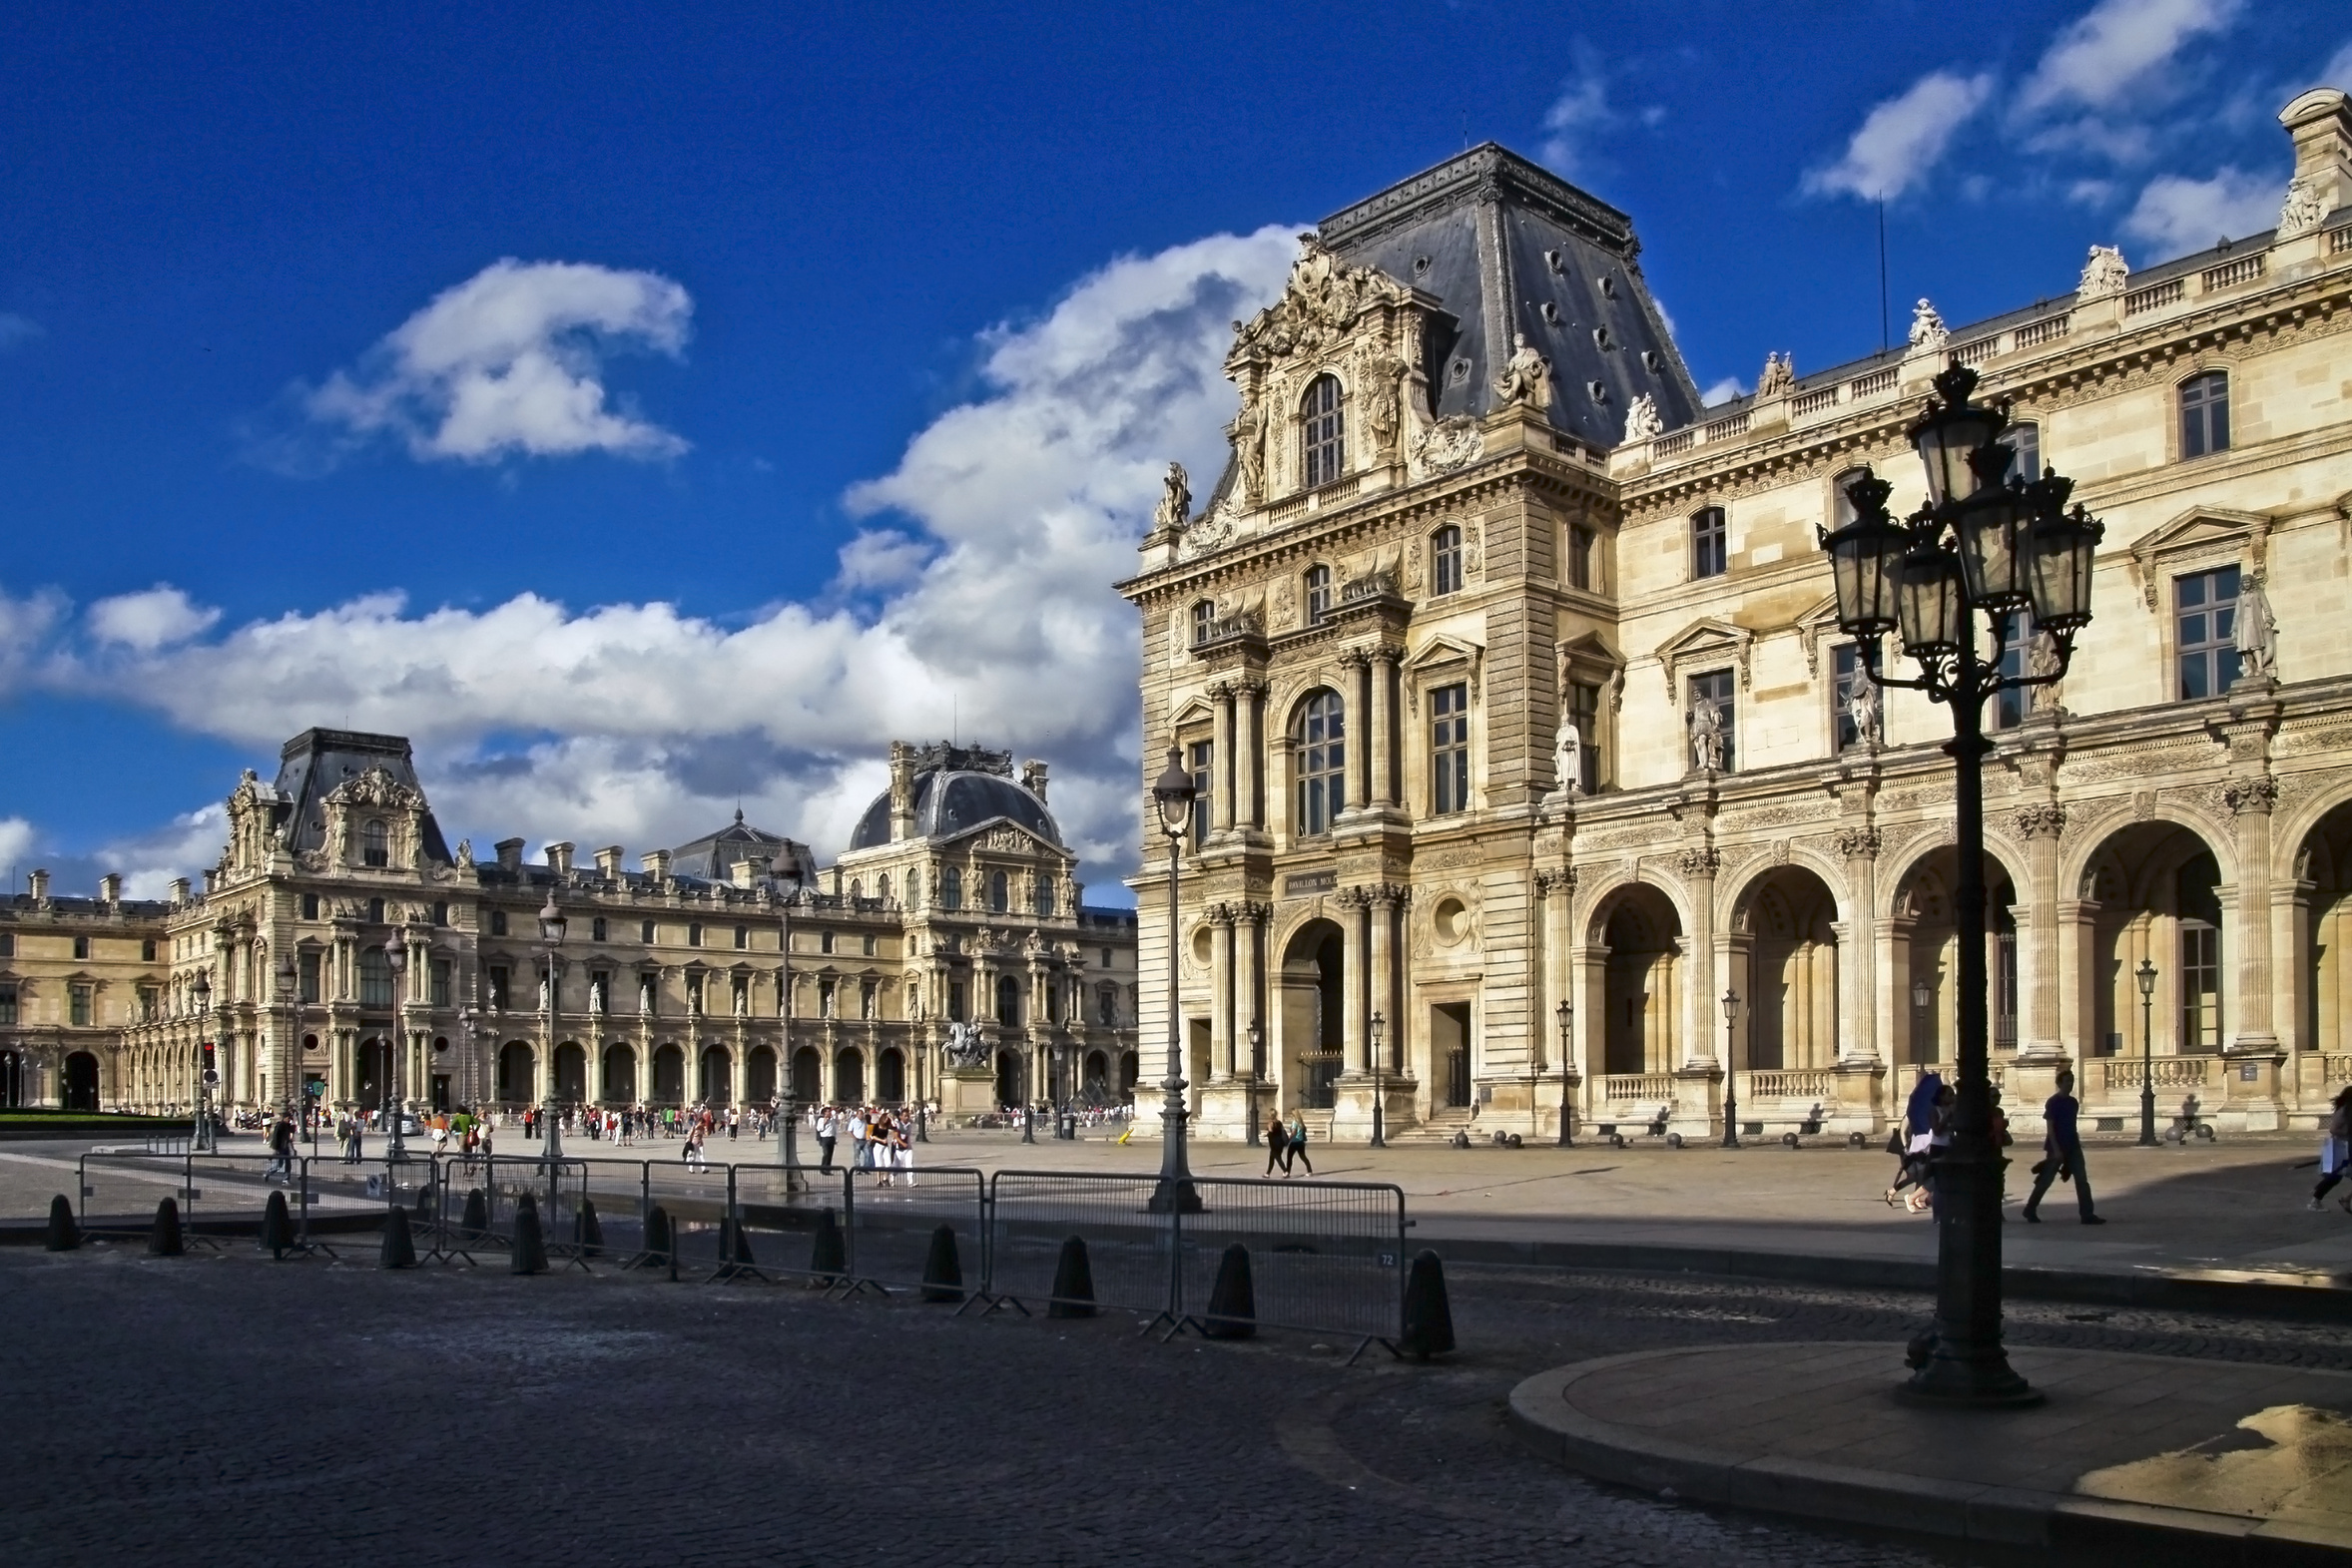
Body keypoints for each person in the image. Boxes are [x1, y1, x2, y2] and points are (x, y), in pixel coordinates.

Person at [2024, 1068, 2102, 1224]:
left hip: (2073, 1146)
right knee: (2045, 1180)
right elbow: (2050, 1128)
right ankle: (2030, 1209)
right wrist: (2057, 1149)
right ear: (2059, 1083)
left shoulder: (2073, 1103)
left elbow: (2072, 1125)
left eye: (2071, 1081)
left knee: (2082, 1180)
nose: (2070, 1084)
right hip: (2056, 1147)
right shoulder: (2053, 1102)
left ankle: (2087, 1214)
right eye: (2067, 1081)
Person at [2310, 1086, 2352, 1212]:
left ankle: (2344, 1199)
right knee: (2334, 1177)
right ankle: (2317, 1199)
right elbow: (2333, 1129)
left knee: (2335, 1177)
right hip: (2343, 1147)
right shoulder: (2343, 1111)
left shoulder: (2347, 1110)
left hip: (2347, 1147)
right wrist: (2348, 1132)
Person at [266, 1113, 296, 1183]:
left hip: (286, 1147)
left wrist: (293, 1148)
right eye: (288, 1118)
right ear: (285, 1118)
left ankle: (286, 1178)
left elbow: (289, 1138)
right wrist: (275, 1148)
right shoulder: (279, 1126)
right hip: (280, 1147)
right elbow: (275, 1138)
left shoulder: (288, 1126)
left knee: (288, 1163)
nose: (289, 1120)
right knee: (279, 1164)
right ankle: (269, 1172)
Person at [1264, 1106, 1290, 1178]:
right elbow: (1279, 1131)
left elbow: (1271, 1132)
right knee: (1272, 1158)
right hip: (1280, 1143)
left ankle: (1285, 1171)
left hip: (1274, 1144)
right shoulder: (1279, 1122)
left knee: (1278, 1158)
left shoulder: (1271, 1123)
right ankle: (1267, 1173)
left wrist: (1267, 1134)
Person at [1285, 1112, 1313, 1177]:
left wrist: (1289, 1139)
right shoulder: (1301, 1123)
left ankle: (1287, 1172)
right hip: (1301, 1142)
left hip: (1294, 1142)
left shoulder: (1294, 1122)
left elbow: (1294, 1132)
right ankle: (1309, 1171)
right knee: (1303, 1157)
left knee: (1289, 1157)